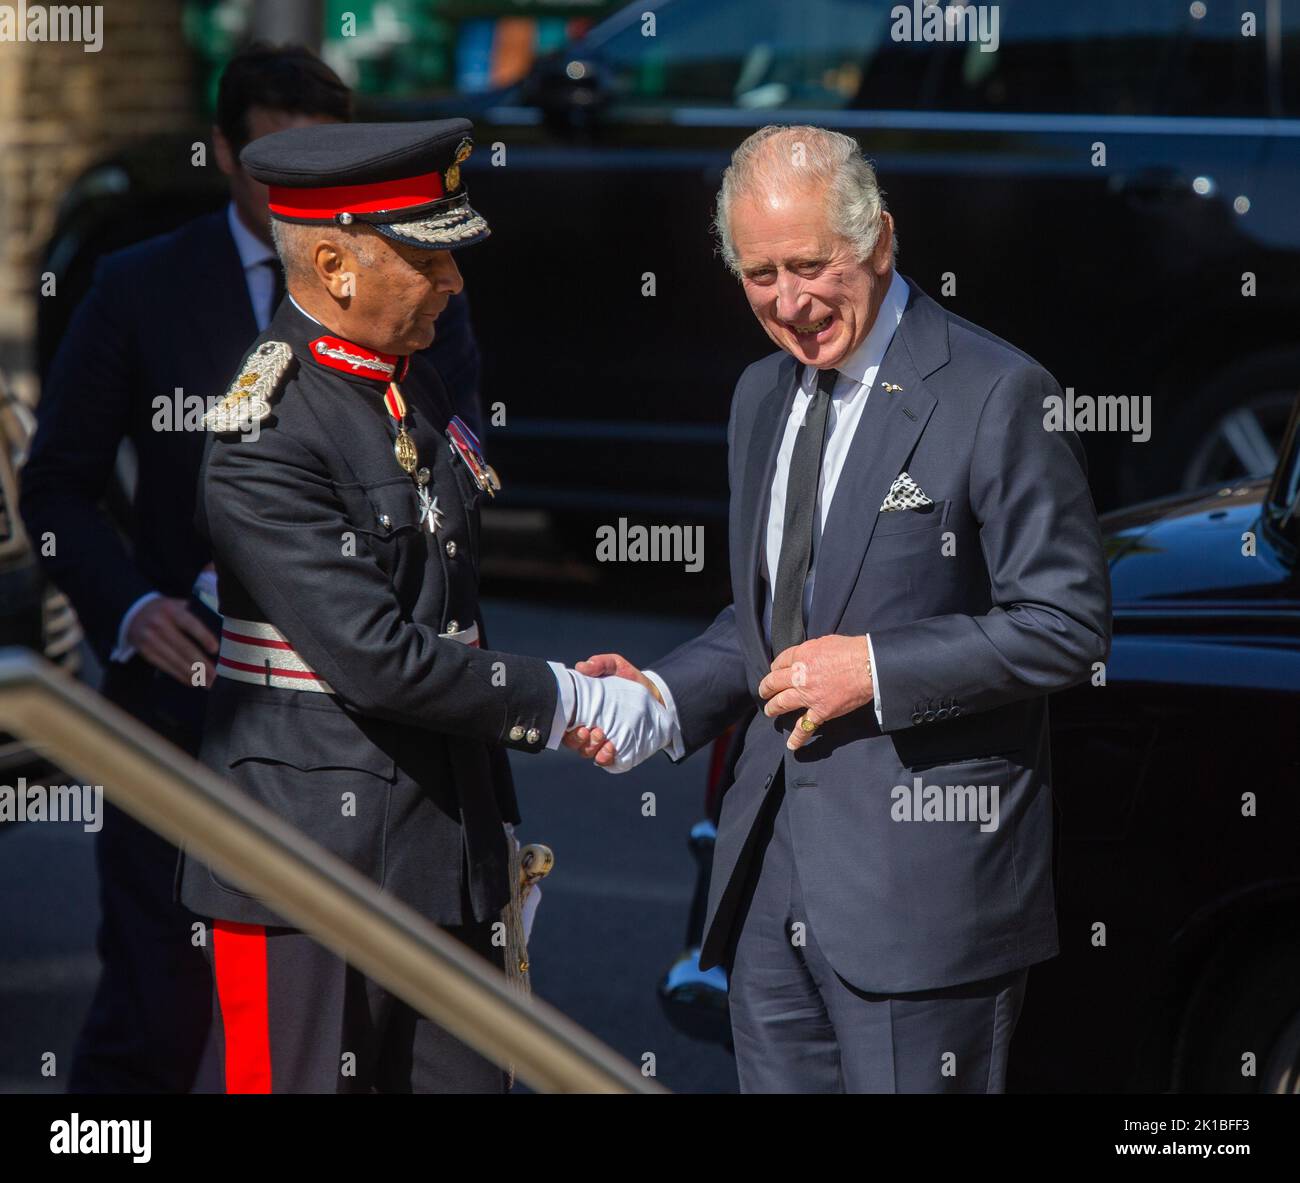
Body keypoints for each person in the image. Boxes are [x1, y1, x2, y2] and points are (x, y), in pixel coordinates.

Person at [570, 125, 1112, 1093]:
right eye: (760, 274)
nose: (789, 302)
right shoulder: (760, 392)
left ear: (881, 243)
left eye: (812, 265)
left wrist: (875, 667)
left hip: (922, 899)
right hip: (771, 871)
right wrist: (662, 692)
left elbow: (1064, 623)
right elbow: (769, 616)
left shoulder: (995, 393)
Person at [179, 116, 670, 1093]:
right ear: (333, 263)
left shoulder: (414, 381)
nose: (453, 282)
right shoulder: (265, 432)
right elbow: (377, 656)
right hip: (307, 862)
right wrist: (563, 699)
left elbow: (445, 609)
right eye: (427, 258)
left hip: (447, 840)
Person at [20, 44, 357, 1094]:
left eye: (319, 167)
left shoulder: (404, 286)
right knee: (155, 1014)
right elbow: (55, 488)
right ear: (220, 154)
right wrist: (131, 611)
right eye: (268, 167)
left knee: (334, 1028)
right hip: (176, 711)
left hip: (348, 722)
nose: (296, 195)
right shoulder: (139, 286)